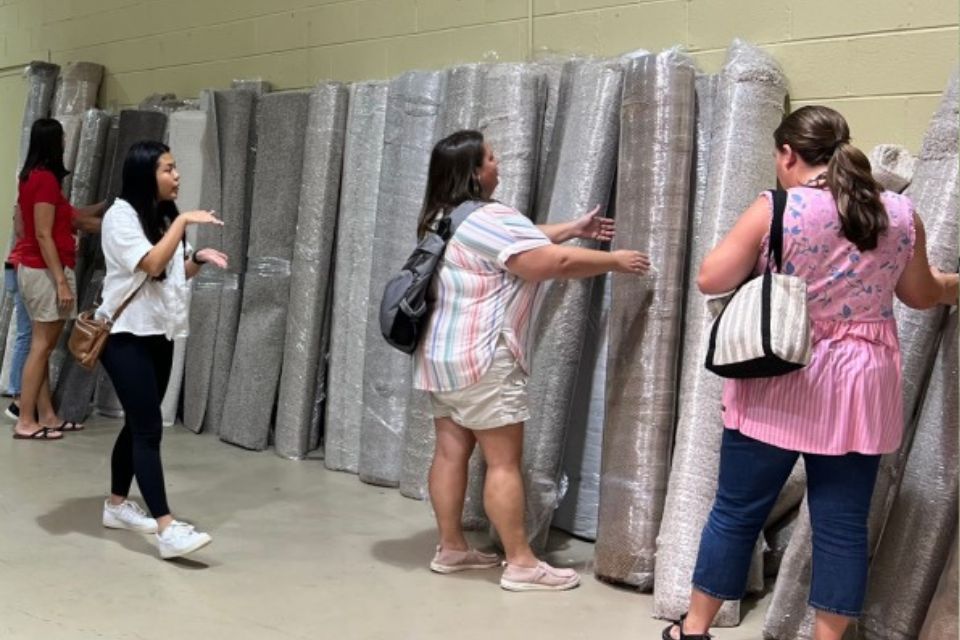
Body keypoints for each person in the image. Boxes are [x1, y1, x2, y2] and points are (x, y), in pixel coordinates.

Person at [664, 106, 959, 640]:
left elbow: (711, 278)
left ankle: (695, 630)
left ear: (787, 153)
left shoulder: (776, 208)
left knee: (736, 511)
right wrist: (952, 284)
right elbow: (920, 295)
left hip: (779, 373)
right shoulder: (899, 213)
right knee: (842, 527)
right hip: (859, 387)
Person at [413, 130, 651, 591]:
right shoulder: (489, 216)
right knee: (503, 462)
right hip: (482, 357)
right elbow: (547, 264)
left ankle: (451, 547)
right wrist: (615, 262)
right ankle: (522, 563)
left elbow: (516, 241)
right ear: (474, 172)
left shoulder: (442, 218)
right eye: (490, 158)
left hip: (440, 357)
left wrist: (573, 228)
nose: (498, 163)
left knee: (449, 452)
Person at [97, 140, 227, 559]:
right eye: (168, 169)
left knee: (138, 424)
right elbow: (151, 264)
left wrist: (197, 259)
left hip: (159, 333)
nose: (177, 175)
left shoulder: (165, 215)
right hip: (124, 336)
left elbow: (172, 275)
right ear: (145, 174)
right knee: (149, 430)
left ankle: (117, 505)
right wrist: (183, 221)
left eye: (175, 168)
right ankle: (167, 529)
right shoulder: (120, 216)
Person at [11, 119, 105, 440]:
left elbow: (73, 217)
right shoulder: (45, 181)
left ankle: (47, 416)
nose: (65, 142)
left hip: (38, 269)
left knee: (43, 346)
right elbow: (42, 233)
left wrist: (108, 207)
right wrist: (61, 281)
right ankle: (26, 420)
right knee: (41, 346)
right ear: (54, 142)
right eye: (62, 138)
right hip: (44, 272)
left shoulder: (33, 178)